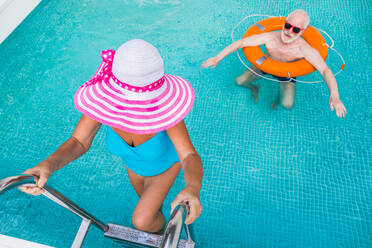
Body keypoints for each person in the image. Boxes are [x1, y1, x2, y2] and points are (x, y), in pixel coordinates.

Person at [19, 39, 203, 233]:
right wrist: (48, 165)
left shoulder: (167, 113)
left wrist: (192, 187)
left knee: (142, 221)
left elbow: (188, 155)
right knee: (151, 211)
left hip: (164, 168)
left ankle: (162, 235)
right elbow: (79, 141)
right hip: (134, 168)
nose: (136, 110)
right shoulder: (103, 106)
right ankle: (160, 231)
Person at [202, 9, 347, 118]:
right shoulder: (270, 37)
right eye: (288, 26)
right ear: (284, 23)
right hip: (265, 65)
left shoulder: (305, 49)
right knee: (239, 81)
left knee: (287, 104)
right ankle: (255, 88)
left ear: (302, 32)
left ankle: (278, 96)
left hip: (286, 75)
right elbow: (241, 42)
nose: (290, 31)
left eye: (295, 29)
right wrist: (217, 58)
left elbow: (326, 71)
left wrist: (334, 95)